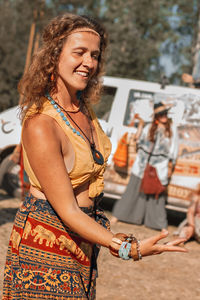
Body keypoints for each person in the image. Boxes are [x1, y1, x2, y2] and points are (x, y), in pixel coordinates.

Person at [3, 14, 186, 300]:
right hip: (46, 243)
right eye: (79, 52)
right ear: (54, 56)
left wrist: (108, 238)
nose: (89, 62)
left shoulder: (83, 109)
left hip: (82, 241)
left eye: (95, 55)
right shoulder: (42, 124)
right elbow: (68, 210)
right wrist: (128, 248)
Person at [111, 102, 179, 231]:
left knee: (157, 194)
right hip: (142, 164)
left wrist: (171, 165)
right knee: (132, 190)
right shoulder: (149, 127)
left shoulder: (172, 129)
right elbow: (138, 140)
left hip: (160, 165)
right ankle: (118, 215)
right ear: (156, 116)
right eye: (160, 114)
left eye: (164, 113)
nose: (163, 116)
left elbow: (174, 149)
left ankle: (160, 224)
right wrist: (141, 126)